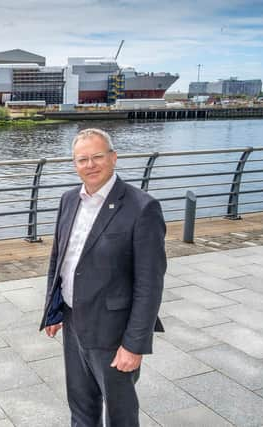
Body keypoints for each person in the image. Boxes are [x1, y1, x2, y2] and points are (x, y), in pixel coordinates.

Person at [40, 128, 165, 427]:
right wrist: (53, 310)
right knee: (81, 408)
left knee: (120, 415)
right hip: (73, 323)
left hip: (113, 332)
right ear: (74, 164)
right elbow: (60, 260)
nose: (90, 165)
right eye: (82, 159)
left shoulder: (142, 207)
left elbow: (149, 285)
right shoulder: (69, 200)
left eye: (97, 156)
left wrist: (134, 346)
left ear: (113, 158)